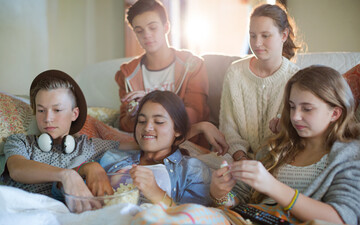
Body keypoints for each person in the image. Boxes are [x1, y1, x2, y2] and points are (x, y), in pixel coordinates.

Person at [1, 70, 225, 199]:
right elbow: (18, 168)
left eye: (57, 110)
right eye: (41, 111)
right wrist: (66, 174)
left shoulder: (89, 146)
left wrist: (197, 128)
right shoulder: (21, 141)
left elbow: (146, 140)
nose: (48, 118)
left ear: (74, 113)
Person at [210, 66, 360, 225]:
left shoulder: (350, 155)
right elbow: (238, 203)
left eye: (307, 109)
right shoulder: (276, 147)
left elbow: (344, 218)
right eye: (292, 106)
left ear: (335, 113)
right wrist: (221, 194)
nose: (295, 117)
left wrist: (273, 186)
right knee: (189, 213)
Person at [83, 90, 212, 206]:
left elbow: (195, 219)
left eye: (159, 122)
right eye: (142, 121)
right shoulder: (111, 158)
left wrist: (157, 193)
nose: (147, 127)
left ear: (177, 129)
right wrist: (89, 168)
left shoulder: (192, 170)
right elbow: (69, 176)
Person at [115, 0, 210, 142]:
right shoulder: (127, 73)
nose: (146, 35)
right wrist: (133, 114)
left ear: (166, 27)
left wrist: (149, 102)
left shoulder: (192, 65)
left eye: (152, 28)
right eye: (139, 31)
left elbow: (195, 116)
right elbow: (125, 125)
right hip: (144, 147)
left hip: (185, 145)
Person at [219, 3, 300, 161]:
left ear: (284, 35)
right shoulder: (235, 72)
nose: (256, 43)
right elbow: (228, 128)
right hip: (237, 158)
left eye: (265, 35)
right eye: (252, 35)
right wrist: (241, 157)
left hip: (279, 160)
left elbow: (297, 135)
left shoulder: (297, 77)